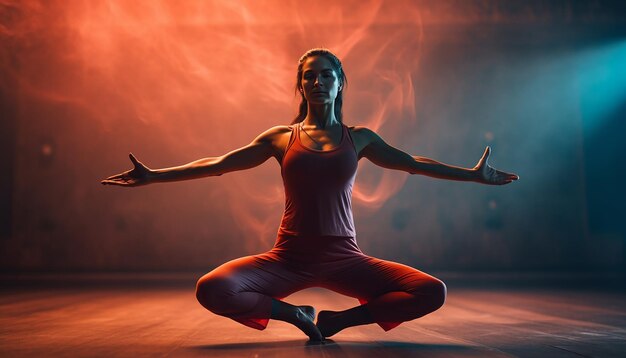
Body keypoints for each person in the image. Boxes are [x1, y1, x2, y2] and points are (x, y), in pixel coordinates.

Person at [102, 48, 518, 342]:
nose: (317, 81)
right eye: (309, 76)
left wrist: (472, 176)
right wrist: (155, 176)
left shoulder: (360, 138)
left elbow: (412, 162)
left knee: (432, 291)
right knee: (212, 288)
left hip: (346, 258)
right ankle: (297, 315)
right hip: (287, 259)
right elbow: (220, 163)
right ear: (300, 86)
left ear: (340, 83)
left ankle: (337, 322)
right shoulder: (281, 138)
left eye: (326, 75)